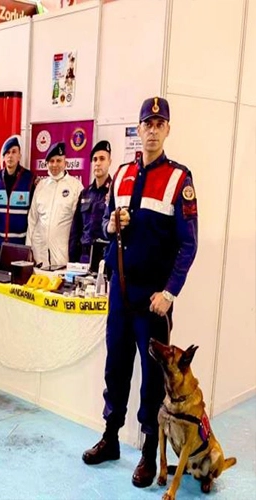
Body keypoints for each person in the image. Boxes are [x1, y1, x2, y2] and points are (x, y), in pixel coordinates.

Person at [82, 97, 199, 489]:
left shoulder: (179, 180)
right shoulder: (121, 174)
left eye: (159, 124)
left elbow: (189, 245)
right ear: (139, 128)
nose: (152, 130)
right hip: (120, 293)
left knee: (152, 379)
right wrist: (111, 225)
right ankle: (111, 437)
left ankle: (150, 452)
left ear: (167, 130)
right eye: (147, 123)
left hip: (152, 301)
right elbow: (104, 224)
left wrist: (170, 292)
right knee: (115, 368)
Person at [26, 142, 83, 268]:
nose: (55, 165)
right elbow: (32, 219)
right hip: (39, 253)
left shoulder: (76, 186)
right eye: (51, 161)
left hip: (62, 254)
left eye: (58, 160)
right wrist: (28, 247)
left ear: (65, 162)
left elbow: (78, 224)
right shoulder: (41, 186)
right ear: (46, 164)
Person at [0, 135, 36, 266]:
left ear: (19, 156)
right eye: (7, 153)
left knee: (17, 278)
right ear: (4, 157)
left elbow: (33, 213)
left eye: (14, 152)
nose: (10, 156)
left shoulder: (29, 179)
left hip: (19, 246)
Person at [69, 140, 112, 263]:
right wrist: (72, 259)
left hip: (105, 256)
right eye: (95, 159)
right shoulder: (85, 193)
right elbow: (76, 229)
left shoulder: (114, 191)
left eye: (102, 159)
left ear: (109, 162)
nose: (98, 163)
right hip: (84, 256)